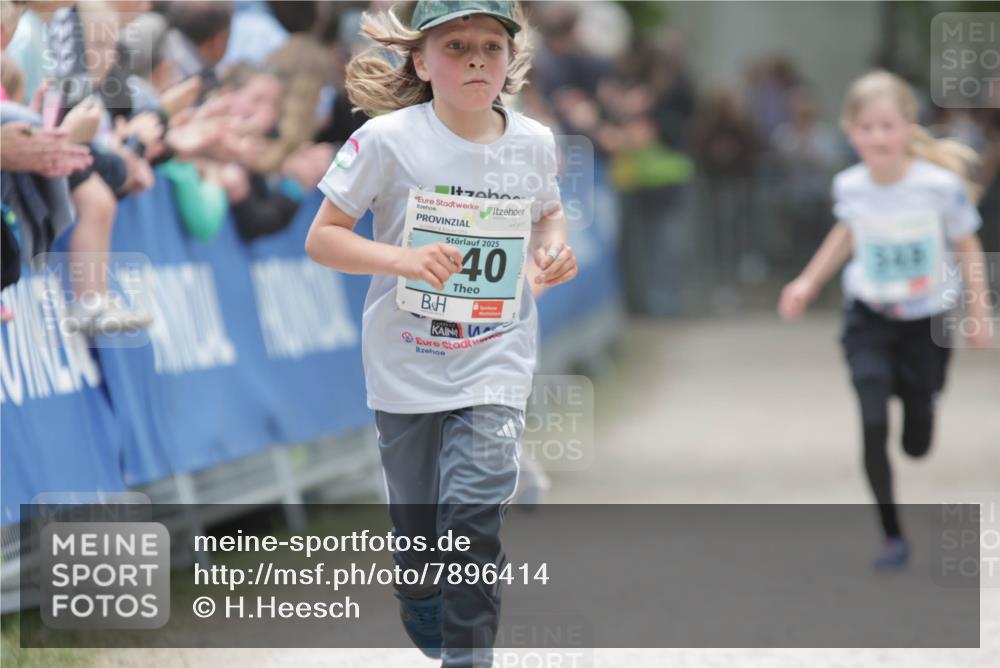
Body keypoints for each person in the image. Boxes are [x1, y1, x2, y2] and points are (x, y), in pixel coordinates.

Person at [305, 2, 576, 666]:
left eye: (491, 46)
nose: (476, 59)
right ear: (421, 62)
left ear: (511, 60)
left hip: (495, 356)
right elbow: (323, 239)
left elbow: (548, 214)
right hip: (406, 364)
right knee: (421, 534)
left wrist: (552, 248)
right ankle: (418, 585)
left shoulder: (533, 143)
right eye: (456, 46)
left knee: (475, 514)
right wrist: (403, 260)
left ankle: (469, 657)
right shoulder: (386, 140)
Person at [778, 70, 994, 569]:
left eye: (887, 126)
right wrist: (808, 281)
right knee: (872, 421)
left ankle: (923, 405)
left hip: (926, 321)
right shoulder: (850, 186)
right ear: (850, 132)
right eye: (866, 128)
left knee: (916, 443)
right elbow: (846, 233)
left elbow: (968, 247)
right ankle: (893, 535)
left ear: (908, 128)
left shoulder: (939, 186)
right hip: (869, 317)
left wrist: (980, 314)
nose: (877, 137)